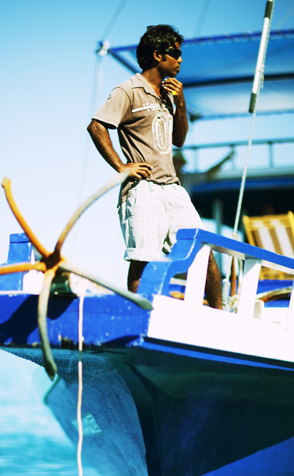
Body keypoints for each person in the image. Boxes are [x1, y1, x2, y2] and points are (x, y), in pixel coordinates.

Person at [87, 24, 222, 309]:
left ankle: (220, 316)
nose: (181, 59)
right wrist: (122, 166)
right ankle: (140, 318)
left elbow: (180, 140)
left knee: (203, 249)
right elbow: (96, 127)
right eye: (176, 53)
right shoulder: (128, 90)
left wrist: (181, 102)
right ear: (158, 55)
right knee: (143, 257)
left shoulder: (168, 94)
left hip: (172, 187)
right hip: (143, 189)